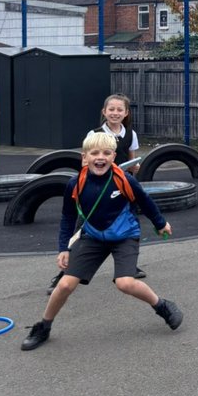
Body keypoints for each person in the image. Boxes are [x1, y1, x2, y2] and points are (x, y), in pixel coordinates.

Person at [21, 132, 180, 351]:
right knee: (65, 283)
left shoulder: (124, 180)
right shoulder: (76, 184)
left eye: (106, 153)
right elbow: (68, 217)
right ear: (84, 158)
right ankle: (43, 327)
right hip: (94, 236)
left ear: (113, 156)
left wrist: (161, 223)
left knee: (125, 283)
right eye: (94, 153)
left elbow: (146, 201)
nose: (101, 157)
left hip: (124, 236)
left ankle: (162, 306)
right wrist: (64, 249)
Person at [47, 92, 147, 294]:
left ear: (126, 113)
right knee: (81, 226)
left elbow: (131, 159)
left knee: (127, 223)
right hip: (96, 188)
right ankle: (64, 273)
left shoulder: (130, 134)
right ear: (104, 111)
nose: (115, 113)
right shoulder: (94, 134)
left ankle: (127, 265)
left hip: (120, 188)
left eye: (119, 110)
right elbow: (86, 162)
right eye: (111, 109)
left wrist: (133, 168)